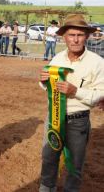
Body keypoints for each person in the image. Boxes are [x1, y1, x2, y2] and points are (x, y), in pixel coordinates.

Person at [39, 14, 104, 192]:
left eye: (80, 35)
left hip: (79, 121)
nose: (75, 40)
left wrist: (76, 91)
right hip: (53, 118)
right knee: (48, 158)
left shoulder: (97, 63)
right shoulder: (57, 58)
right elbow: (46, 86)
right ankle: (46, 189)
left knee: (75, 164)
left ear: (87, 37)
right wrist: (43, 81)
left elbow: (101, 95)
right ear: (64, 37)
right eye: (71, 35)